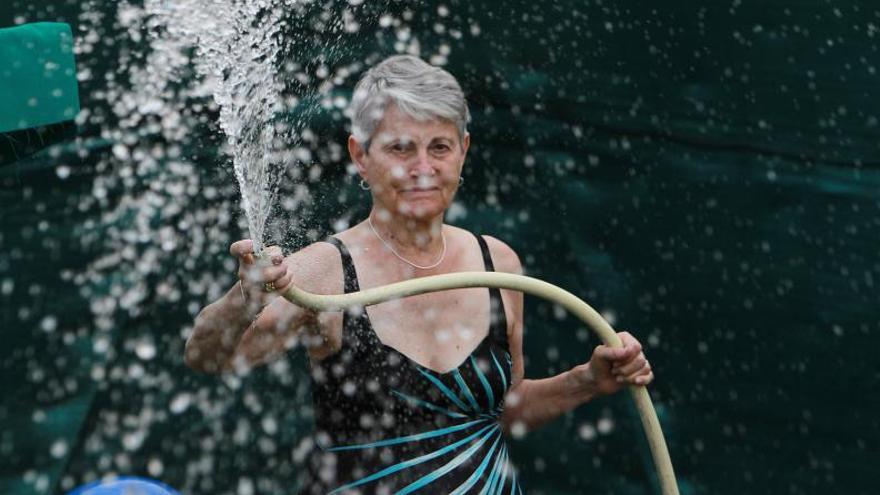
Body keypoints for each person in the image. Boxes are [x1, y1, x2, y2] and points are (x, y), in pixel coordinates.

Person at [184, 54, 654, 494]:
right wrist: (242, 299)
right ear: (360, 156)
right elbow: (208, 357)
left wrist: (587, 380)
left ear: (463, 151)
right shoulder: (325, 273)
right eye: (401, 149)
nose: (423, 169)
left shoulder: (498, 265)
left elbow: (504, 414)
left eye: (440, 147)